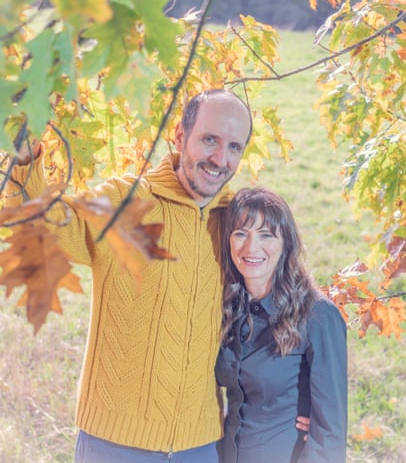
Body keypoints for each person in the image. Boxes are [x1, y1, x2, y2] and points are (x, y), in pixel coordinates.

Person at [7, 89, 253, 462]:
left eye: (234, 147)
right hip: (115, 444)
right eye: (209, 140)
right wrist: (24, 156)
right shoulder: (129, 201)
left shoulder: (235, 221)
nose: (220, 159)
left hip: (200, 446)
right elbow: (44, 227)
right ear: (180, 136)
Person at [215, 187, 348, 463]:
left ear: (286, 243)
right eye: (241, 233)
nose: (251, 248)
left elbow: (330, 437)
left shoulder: (318, 316)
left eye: (266, 235)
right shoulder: (228, 307)